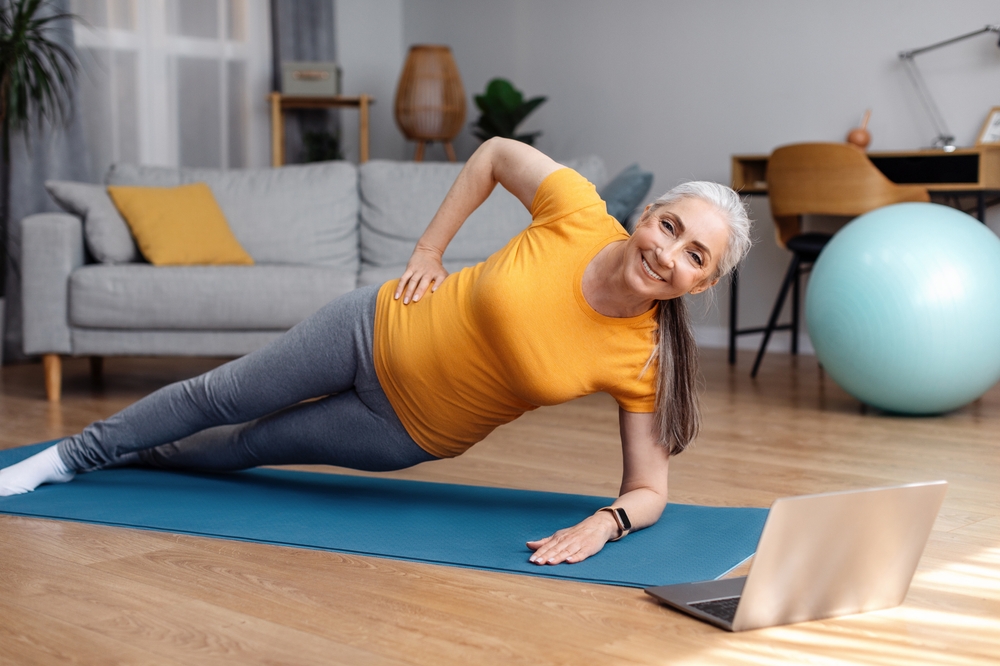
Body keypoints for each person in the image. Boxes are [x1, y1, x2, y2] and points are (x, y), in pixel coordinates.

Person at [0, 138, 751, 565]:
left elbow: (649, 489)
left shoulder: (645, 359)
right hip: (370, 326)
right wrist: (430, 246)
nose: (671, 254)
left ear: (699, 285)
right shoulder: (577, 210)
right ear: (648, 217)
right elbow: (492, 154)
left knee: (244, 448)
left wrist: (606, 522)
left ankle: (132, 458)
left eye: (696, 259)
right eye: (672, 229)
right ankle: (65, 459)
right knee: (219, 396)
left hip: (405, 431)